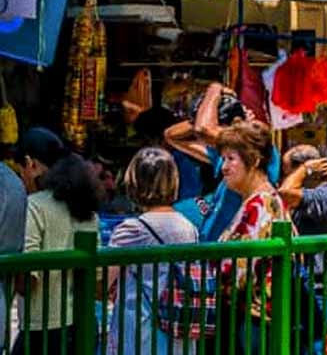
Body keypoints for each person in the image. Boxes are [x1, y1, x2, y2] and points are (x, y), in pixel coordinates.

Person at [103, 148, 199, 355]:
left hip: (140, 333)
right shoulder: (188, 227)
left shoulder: (133, 230)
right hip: (178, 330)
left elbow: (101, 282)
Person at [167, 84, 281, 242]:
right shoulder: (229, 155)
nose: (225, 166)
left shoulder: (254, 148)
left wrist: (213, 89)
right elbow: (171, 135)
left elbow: (203, 129)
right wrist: (202, 112)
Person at [214, 122, 290, 354]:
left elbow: (238, 272)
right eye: (223, 159)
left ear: (254, 160)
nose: (223, 167)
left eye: (231, 159)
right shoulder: (258, 200)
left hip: (254, 324)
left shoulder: (261, 204)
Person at [17, 152, 102, 355]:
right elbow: (97, 284)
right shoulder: (91, 216)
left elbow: (28, 280)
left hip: (43, 324)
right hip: (84, 321)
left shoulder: (36, 205)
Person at [279, 146, 327, 237]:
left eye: (288, 175)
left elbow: (284, 193)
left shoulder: (324, 196)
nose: (285, 181)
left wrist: (305, 169)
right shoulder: (305, 194)